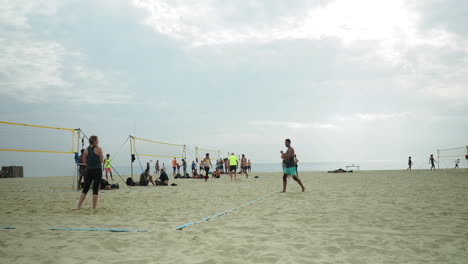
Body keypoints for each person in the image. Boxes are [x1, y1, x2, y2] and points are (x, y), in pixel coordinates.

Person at [74, 135, 104, 210]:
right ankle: (94, 207)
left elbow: (84, 162)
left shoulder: (86, 150)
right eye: (97, 140)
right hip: (97, 170)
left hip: (89, 170)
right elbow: (101, 161)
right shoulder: (99, 149)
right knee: (95, 189)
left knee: (85, 188)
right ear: (94, 141)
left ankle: (78, 206)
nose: (98, 141)